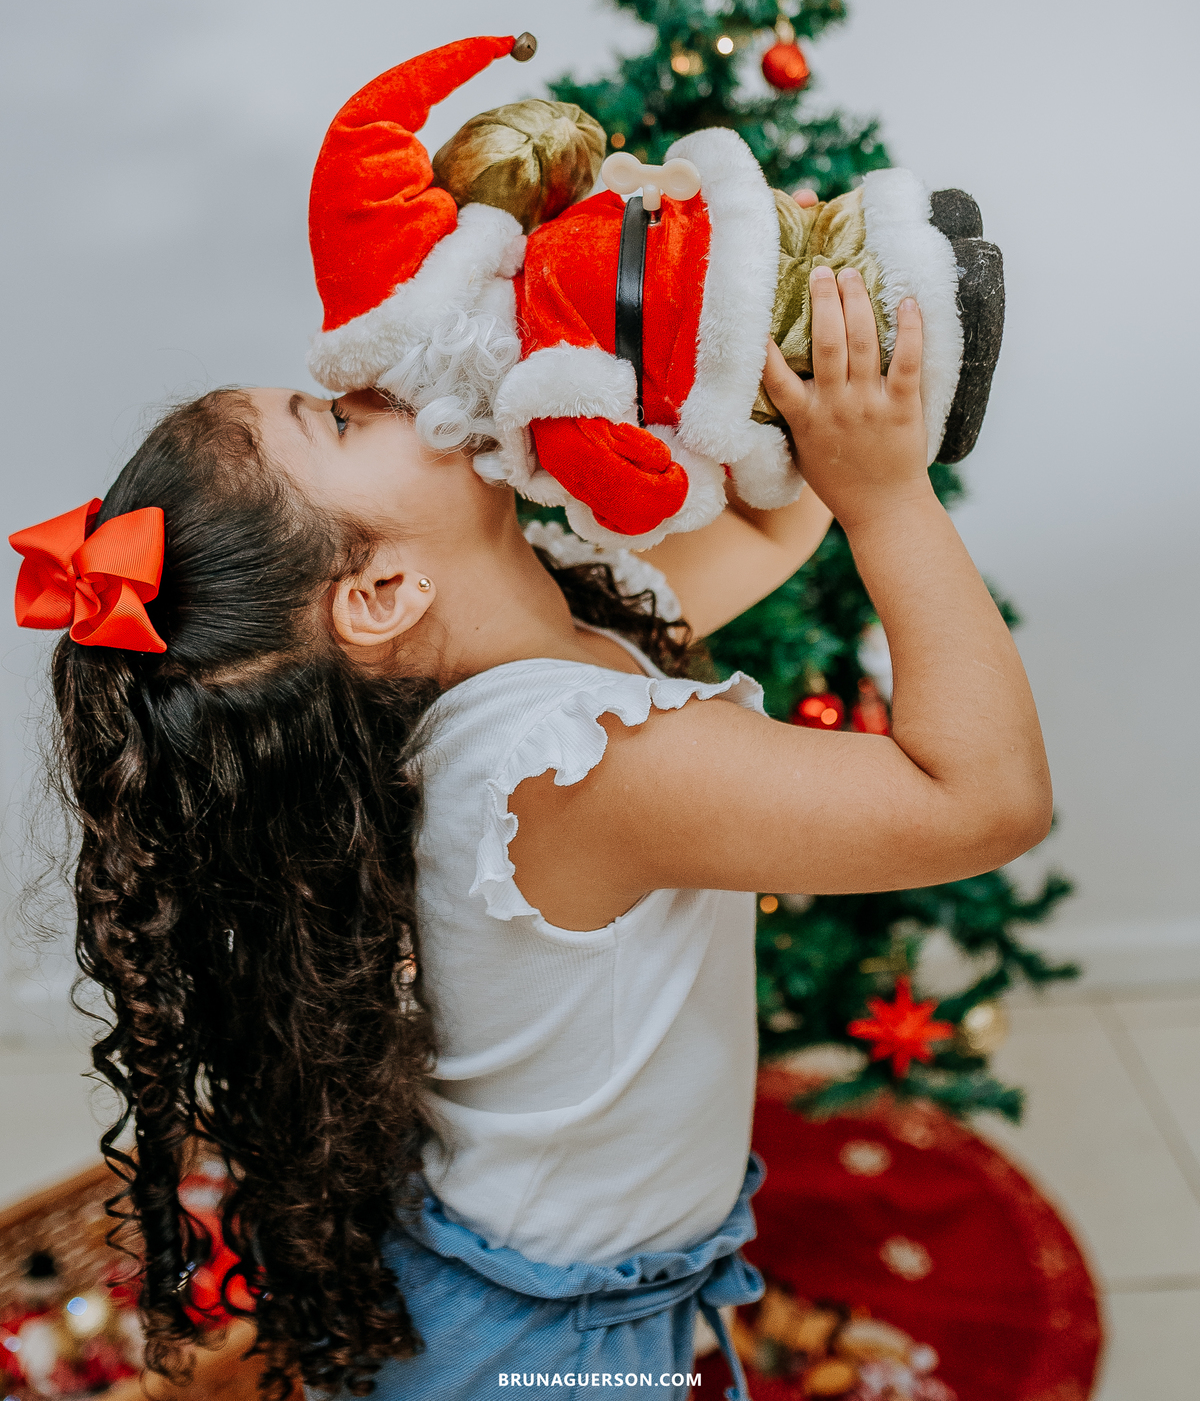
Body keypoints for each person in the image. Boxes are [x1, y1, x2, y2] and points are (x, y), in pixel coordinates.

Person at [12, 268, 1051, 1399]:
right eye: (343, 420)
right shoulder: (576, 763)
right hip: (546, 1351)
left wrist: (648, 310)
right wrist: (893, 499)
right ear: (380, 592)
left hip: (508, 1274)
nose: (370, 376)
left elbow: (767, 519)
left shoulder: (533, 637)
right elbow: (984, 800)